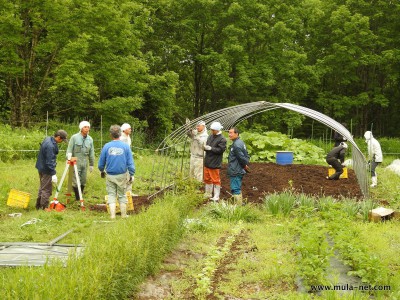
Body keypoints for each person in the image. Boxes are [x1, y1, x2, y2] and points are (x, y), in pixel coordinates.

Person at [98, 125, 135, 219]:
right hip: (122, 175)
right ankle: (123, 215)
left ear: (111, 135)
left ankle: (112, 216)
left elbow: (101, 163)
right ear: (120, 133)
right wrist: (132, 173)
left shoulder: (106, 146)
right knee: (122, 194)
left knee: (111, 195)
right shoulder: (126, 147)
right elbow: (130, 162)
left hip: (110, 175)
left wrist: (101, 170)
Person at [35, 130, 68, 210]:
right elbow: (49, 161)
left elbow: (55, 151)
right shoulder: (50, 146)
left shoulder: (48, 139)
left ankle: (38, 205)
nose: (61, 142)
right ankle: (44, 207)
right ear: (58, 137)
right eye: (62, 140)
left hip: (41, 167)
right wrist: (53, 173)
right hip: (46, 169)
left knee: (42, 187)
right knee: (47, 189)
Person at [66, 121, 95, 201]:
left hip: (85, 162)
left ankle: (80, 194)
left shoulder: (90, 139)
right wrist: (68, 158)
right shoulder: (74, 137)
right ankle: (78, 198)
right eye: (85, 127)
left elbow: (92, 152)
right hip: (75, 162)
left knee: (83, 180)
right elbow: (69, 149)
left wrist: (91, 164)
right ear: (81, 128)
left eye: (88, 127)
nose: (87, 129)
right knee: (76, 180)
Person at [203, 121, 227, 201]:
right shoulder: (210, 136)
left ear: (217, 130)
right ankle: (208, 193)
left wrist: (211, 148)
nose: (212, 131)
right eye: (211, 130)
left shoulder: (222, 139)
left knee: (215, 180)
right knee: (207, 178)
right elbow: (207, 145)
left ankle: (216, 196)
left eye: (213, 130)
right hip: (207, 161)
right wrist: (205, 147)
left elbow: (220, 150)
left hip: (215, 162)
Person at [227, 128, 250, 205]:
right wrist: (245, 165)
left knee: (235, 188)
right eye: (229, 133)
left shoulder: (236, 145)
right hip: (237, 168)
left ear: (237, 134)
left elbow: (242, 158)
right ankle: (238, 204)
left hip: (236, 170)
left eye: (231, 133)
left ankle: (238, 206)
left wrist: (244, 165)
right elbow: (246, 155)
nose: (229, 134)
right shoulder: (240, 142)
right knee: (236, 187)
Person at [120, 123, 133, 193]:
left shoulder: (128, 137)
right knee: (126, 176)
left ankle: (129, 192)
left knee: (130, 175)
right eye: (129, 128)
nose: (130, 130)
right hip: (123, 160)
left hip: (128, 158)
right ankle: (125, 192)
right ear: (124, 130)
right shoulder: (122, 139)